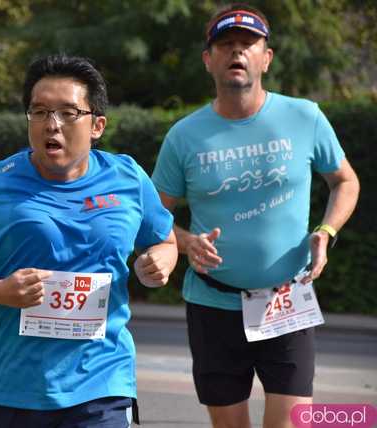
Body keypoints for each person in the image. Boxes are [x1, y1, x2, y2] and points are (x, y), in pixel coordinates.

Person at [0, 55, 178, 427]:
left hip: (103, 381)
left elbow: (165, 240)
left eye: (68, 113)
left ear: (97, 124)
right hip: (17, 386)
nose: (52, 125)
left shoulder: (128, 177)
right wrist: (0, 290)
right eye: (39, 111)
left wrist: (161, 260)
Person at [151, 3, 360, 428]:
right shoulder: (184, 136)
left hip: (288, 298)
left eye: (248, 44)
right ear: (208, 60)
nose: (237, 52)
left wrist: (326, 230)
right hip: (214, 301)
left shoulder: (304, 116)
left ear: (266, 58)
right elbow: (153, 214)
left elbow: (345, 181)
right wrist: (185, 240)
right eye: (225, 45)